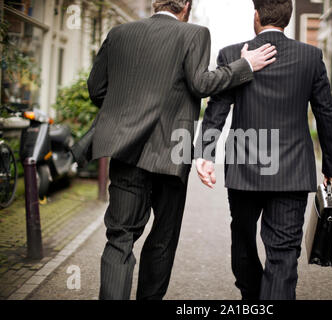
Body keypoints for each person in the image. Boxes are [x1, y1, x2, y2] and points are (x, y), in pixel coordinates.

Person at [86, 0, 277, 300]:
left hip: (126, 152)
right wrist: (245, 66)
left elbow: (96, 90)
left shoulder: (119, 33)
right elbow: (201, 84)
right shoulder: (195, 34)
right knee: (162, 239)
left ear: (153, 2)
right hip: (172, 153)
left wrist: (127, 113)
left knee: (119, 238)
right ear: (186, 5)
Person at [196, 0, 332, 300]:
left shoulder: (234, 54)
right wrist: (331, 167)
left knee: (243, 240)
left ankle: (252, 297)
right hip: (292, 172)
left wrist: (204, 155)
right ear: (287, 19)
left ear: (256, 16)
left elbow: (217, 110)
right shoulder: (310, 57)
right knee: (284, 254)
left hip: (245, 170)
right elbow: (326, 113)